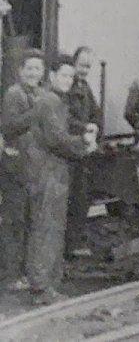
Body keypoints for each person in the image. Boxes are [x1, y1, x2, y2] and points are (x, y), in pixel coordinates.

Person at [25, 54, 97, 303]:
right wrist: (83, 143)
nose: (68, 80)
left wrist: (81, 132)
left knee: (52, 226)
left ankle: (48, 282)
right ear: (52, 76)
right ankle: (41, 287)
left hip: (53, 172)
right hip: (47, 174)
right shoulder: (49, 102)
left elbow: (62, 132)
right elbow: (56, 139)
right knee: (47, 227)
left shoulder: (55, 101)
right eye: (64, 75)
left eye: (70, 76)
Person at [0, 49, 45, 291]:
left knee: (30, 221)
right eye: (29, 68)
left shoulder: (41, 93)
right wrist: (36, 113)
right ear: (21, 71)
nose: (33, 73)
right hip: (15, 167)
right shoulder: (14, 94)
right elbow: (9, 126)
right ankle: (9, 276)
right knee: (14, 222)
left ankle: (24, 272)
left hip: (34, 167)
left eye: (37, 68)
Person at [65, 46, 102, 259]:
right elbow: (66, 118)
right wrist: (84, 128)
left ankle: (74, 243)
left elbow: (95, 113)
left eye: (88, 67)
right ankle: (67, 246)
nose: (84, 70)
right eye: (81, 65)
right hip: (70, 152)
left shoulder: (85, 86)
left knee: (82, 198)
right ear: (74, 63)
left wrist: (95, 129)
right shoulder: (68, 86)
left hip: (84, 150)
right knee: (71, 198)